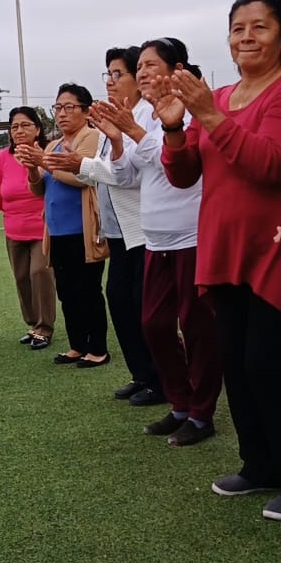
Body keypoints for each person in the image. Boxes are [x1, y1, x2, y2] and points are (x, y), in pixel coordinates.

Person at [153, 0, 281, 518]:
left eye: (260, 27)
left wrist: (207, 114)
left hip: (271, 250)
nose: (246, 36)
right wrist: (174, 130)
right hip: (224, 251)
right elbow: (184, 174)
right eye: (237, 28)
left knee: (268, 364)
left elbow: (269, 165)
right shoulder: (221, 96)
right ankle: (259, 465)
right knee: (237, 363)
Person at [94, 37, 222, 446]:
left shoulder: (188, 108)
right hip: (156, 237)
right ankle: (180, 403)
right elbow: (128, 176)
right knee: (154, 324)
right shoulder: (141, 113)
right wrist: (118, 140)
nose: (144, 72)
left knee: (198, 327)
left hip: (190, 234)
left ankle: (201, 413)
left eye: (151, 65)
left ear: (176, 69)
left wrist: (133, 131)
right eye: (141, 67)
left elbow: (174, 166)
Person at [43, 47, 163, 405]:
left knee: (144, 309)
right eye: (108, 74)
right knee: (121, 303)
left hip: (141, 228)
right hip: (117, 231)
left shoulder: (148, 117)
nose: (111, 81)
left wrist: (80, 165)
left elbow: (132, 175)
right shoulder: (115, 120)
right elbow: (108, 173)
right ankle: (142, 375)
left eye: (118, 74)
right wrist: (78, 164)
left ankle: (160, 379)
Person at [16, 84, 110, 368]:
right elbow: (40, 189)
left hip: (83, 230)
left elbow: (83, 178)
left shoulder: (91, 137)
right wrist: (32, 167)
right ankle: (77, 345)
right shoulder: (53, 145)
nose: (62, 113)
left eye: (69, 107)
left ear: (86, 110)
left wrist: (43, 162)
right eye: (58, 107)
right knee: (67, 292)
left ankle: (98, 348)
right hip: (57, 231)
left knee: (88, 290)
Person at [0, 106, 56, 350]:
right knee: (22, 277)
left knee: (39, 273)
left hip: (42, 227)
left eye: (25, 125)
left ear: (38, 129)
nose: (19, 131)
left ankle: (45, 328)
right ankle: (33, 324)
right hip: (14, 229)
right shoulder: (2, 158)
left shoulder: (46, 153)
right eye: (14, 127)